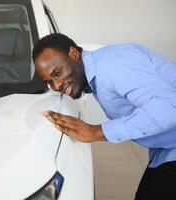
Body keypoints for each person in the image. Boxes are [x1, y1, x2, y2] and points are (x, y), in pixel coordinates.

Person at [32, 33, 176, 200]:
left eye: (57, 73)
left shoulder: (115, 64)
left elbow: (169, 108)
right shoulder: (100, 72)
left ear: (73, 54)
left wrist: (96, 132)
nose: (56, 85)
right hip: (165, 150)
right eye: (49, 82)